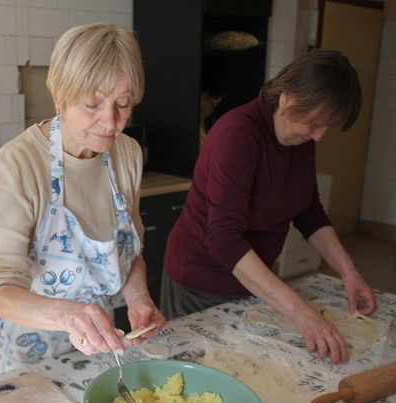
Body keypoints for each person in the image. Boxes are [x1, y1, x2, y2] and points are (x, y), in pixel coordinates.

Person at [161, 49, 377, 365]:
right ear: (287, 99)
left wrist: (348, 271)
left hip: (255, 280)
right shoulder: (238, 135)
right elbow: (224, 239)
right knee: (203, 375)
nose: (319, 136)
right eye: (316, 124)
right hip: (201, 281)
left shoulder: (298, 139)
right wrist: (300, 312)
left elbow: (308, 210)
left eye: (327, 127)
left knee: (244, 368)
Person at [0, 22, 166, 376]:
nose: (110, 122)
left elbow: (129, 252)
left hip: (98, 348)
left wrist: (138, 298)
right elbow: (1, 290)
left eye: (123, 105)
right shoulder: (18, 165)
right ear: (60, 96)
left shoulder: (126, 154)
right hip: (25, 361)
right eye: (92, 104)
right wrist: (69, 316)